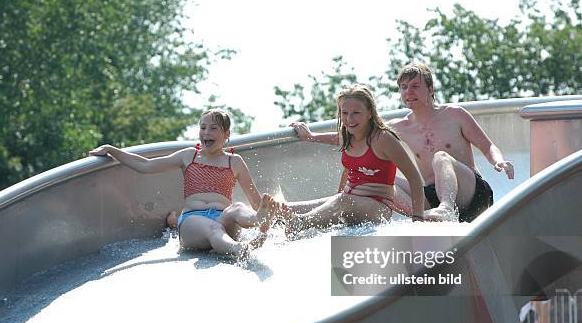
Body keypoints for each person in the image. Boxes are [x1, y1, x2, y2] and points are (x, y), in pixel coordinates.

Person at [89, 108, 277, 258]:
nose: (206, 133)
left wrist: (264, 211)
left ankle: (257, 220)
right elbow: (145, 165)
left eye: (213, 128)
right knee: (214, 228)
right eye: (203, 128)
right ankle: (239, 250)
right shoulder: (189, 156)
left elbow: (256, 201)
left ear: (226, 134)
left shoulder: (234, 162)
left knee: (236, 207)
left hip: (223, 217)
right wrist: (112, 150)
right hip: (192, 222)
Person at [357, 62, 514, 222]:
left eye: (415, 86)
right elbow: (357, 135)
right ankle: (420, 215)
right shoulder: (398, 127)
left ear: (430, 89)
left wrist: (499, 161)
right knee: (382, 178)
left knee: (440, 158)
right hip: (432, 196)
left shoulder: (454, 114)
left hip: (472, 193)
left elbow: (487, 146)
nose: (408, 92)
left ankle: (446, 208)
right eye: (404, 87)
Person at [283, 84, 426, 234]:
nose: (349, 119)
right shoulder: (347, 137)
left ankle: (300, 223)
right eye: (344, 113)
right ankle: (267, 221)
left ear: (370, 112)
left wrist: (417, 219)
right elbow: (329, 138)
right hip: (348, 201)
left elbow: (414, 177)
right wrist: (310, 136)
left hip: (377, 208)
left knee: (342, 201)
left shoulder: (383, 138)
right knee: (289, 207)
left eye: (356, 113)